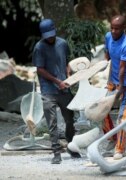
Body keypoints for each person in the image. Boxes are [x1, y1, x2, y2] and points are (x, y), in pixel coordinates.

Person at [32, 18, 81, 164]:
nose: (50, 38)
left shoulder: (63, 44)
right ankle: (56, 152)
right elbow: (40, 70)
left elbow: (67, 62)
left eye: (52, 34)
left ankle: (71, 147)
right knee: (52, 122)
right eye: (47, 36)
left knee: (70, 120)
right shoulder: (39, 48)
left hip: (64, 89)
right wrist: (57, 81)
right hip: (48, 90)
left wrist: (68, 77)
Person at [102, 15, 126, 160]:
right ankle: (112, 139)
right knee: (101, 112)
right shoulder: (108, 36)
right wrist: (102, 63)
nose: (114, 31)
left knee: (122, 118)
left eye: (117, 29)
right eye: (112, 28)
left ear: (124, 29)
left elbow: (122, 68)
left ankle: (120, 149)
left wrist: (121, 87)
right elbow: (107, 54)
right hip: (112, 82)